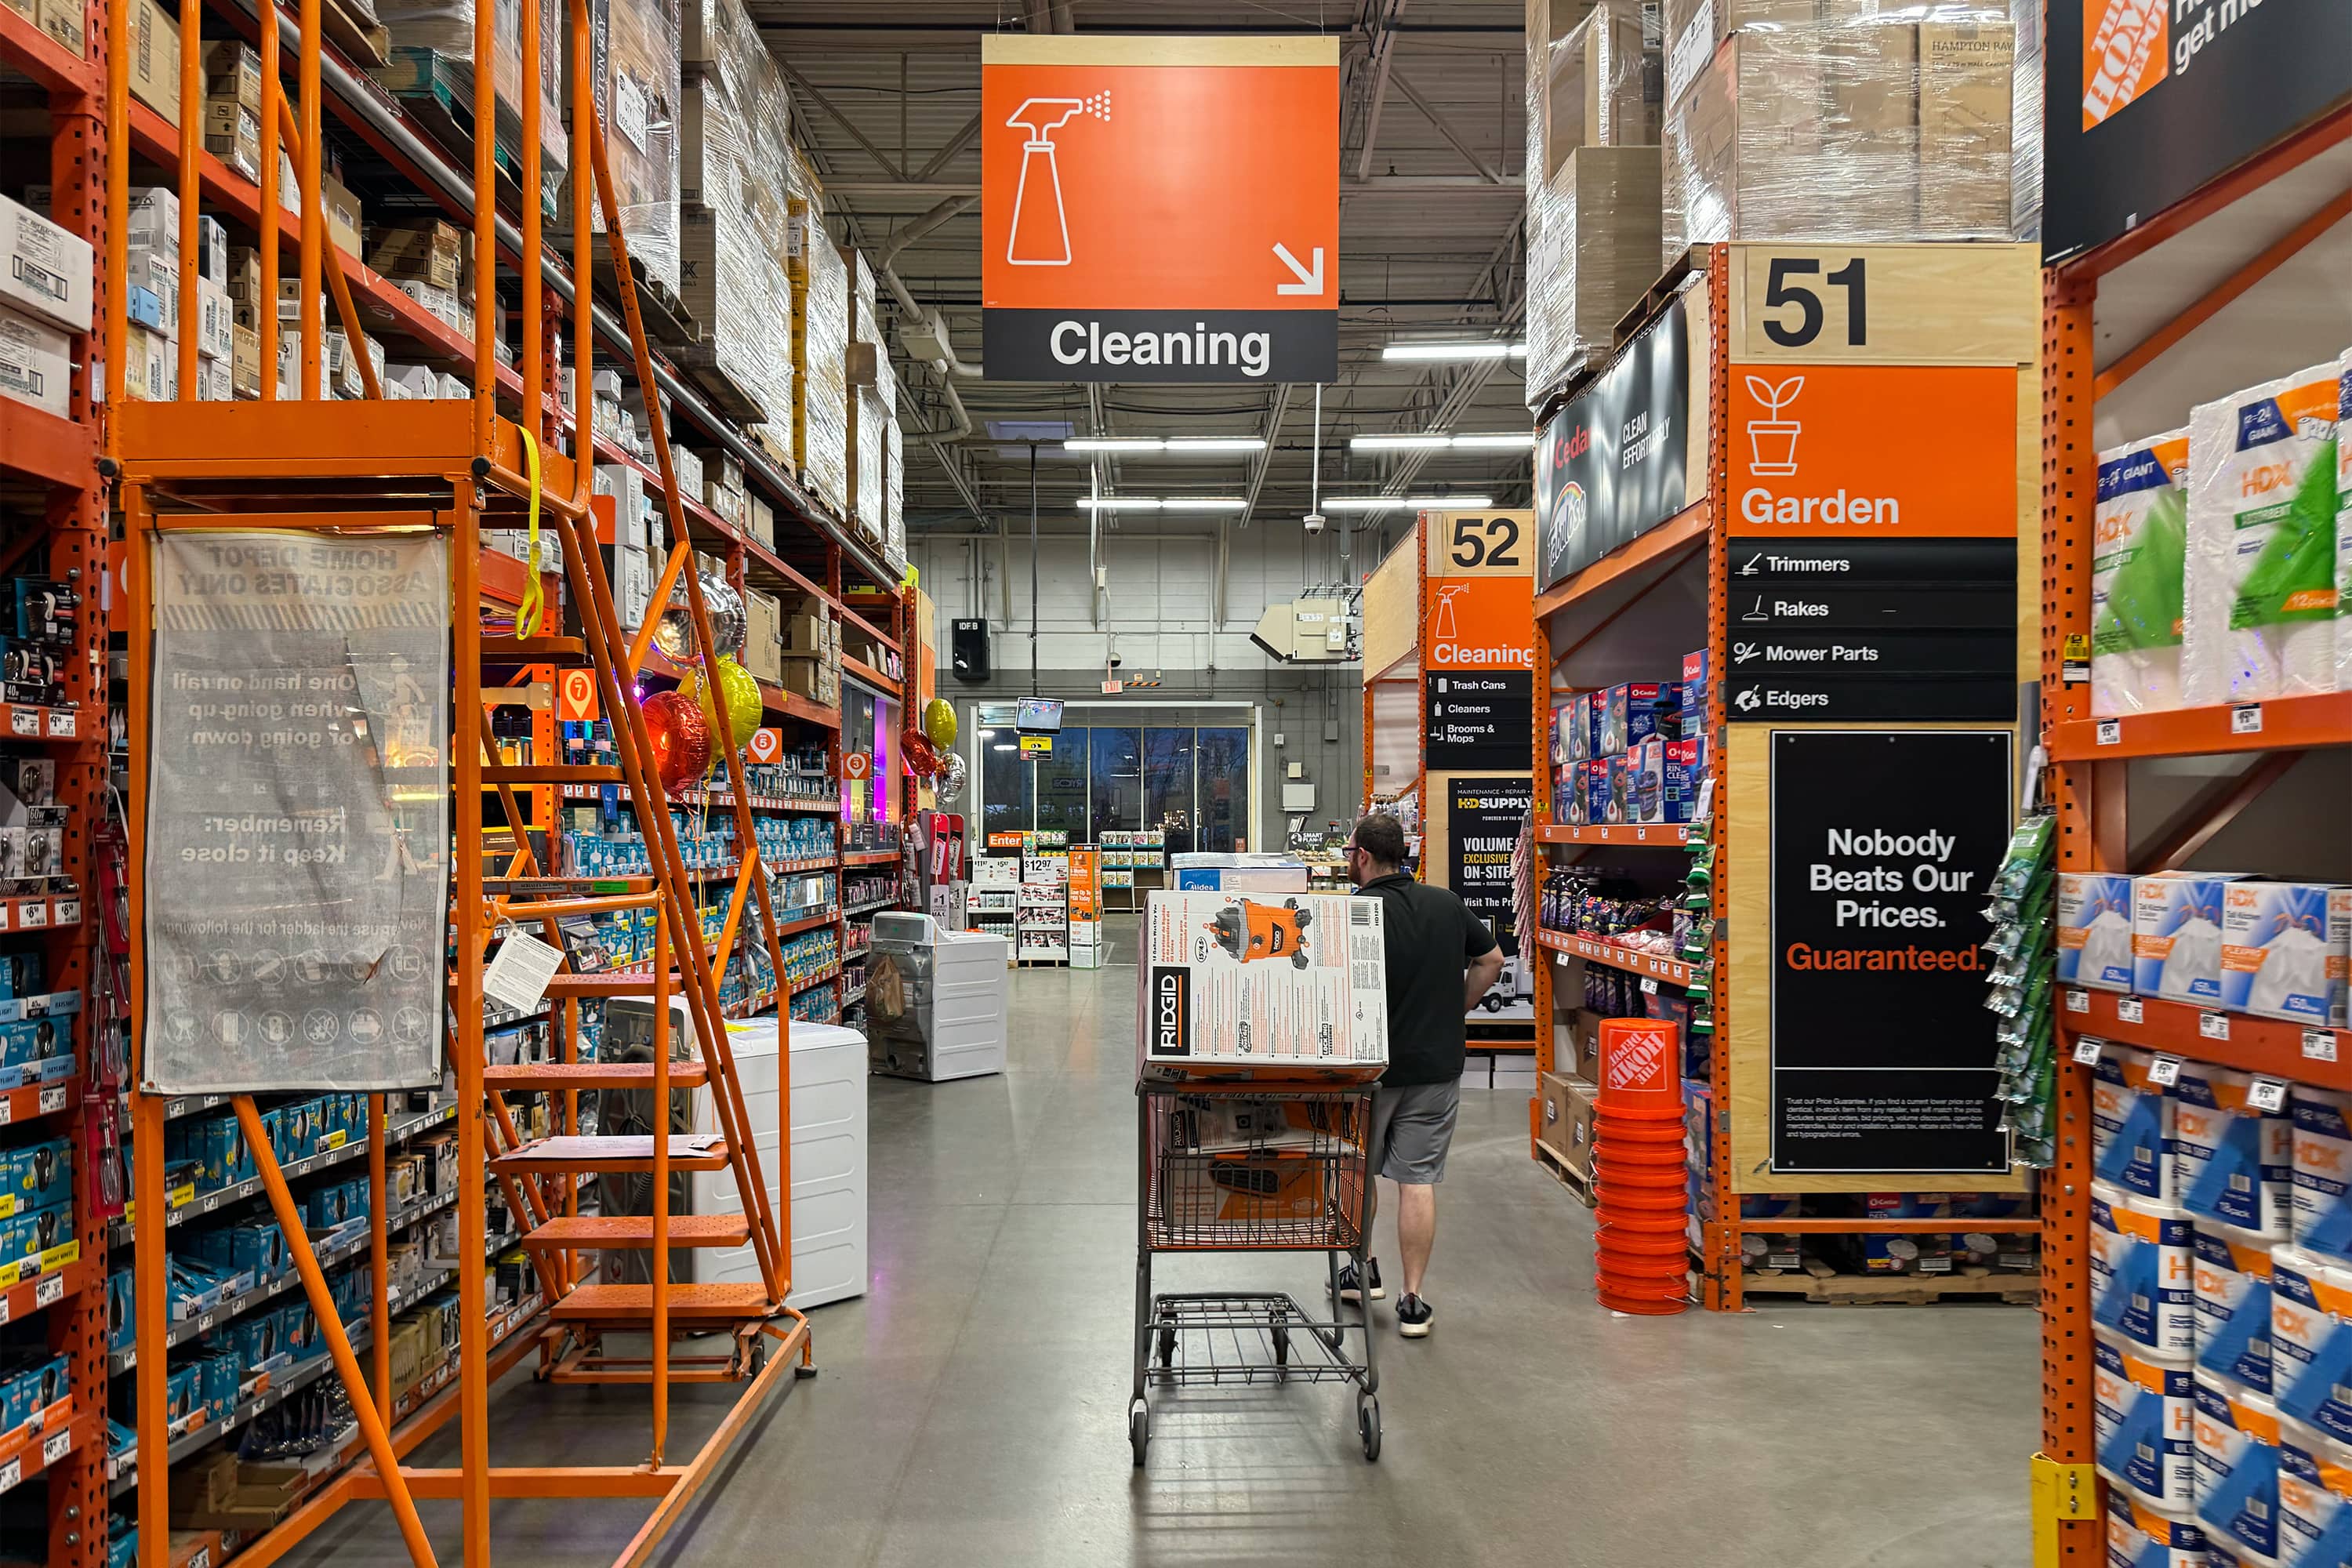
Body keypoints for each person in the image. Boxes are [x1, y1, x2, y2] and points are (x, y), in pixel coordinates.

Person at [1337, 812, 1503, 1337]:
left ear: (1362, 855)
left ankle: (1362, 1272)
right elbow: (1492, 960)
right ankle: (1413, 1300)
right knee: (1419, 1181)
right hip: (1436, 1067)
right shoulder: (1446, 903)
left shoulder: (1351, 913)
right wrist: (1457, 1008)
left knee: (1358, 1169)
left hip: (1369, 1069)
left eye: (1348, 853)